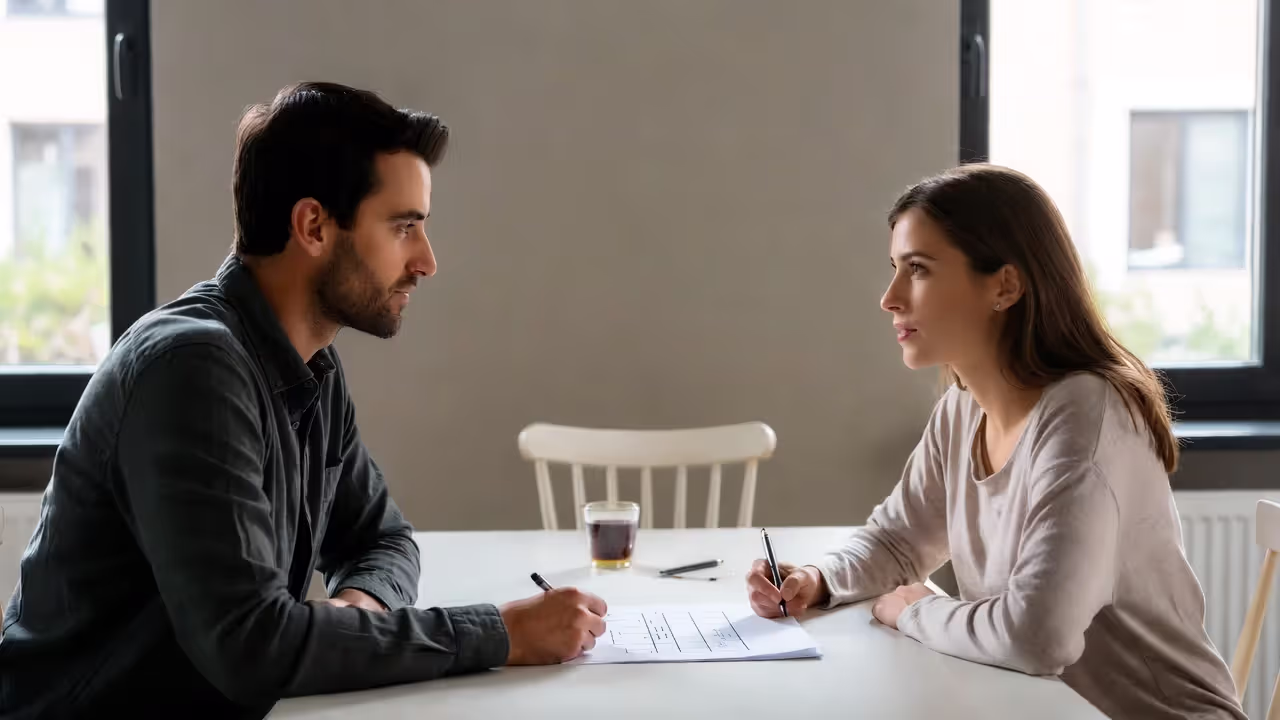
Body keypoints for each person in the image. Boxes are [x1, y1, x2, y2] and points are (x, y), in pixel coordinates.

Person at [0, 82, 607, 719]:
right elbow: (253, 647)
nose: (426, 261)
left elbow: (385, 541)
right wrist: (500, 633)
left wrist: (357, 615)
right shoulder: (192, 370)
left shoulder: (311, 366)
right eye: (404, 228)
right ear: (313, 225)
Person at [746, 164, 1245, 719]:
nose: (890, 298)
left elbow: (1036, 638)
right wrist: (817, 580)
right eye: (895, 269)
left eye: (919, 270)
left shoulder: (1087, 414)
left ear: (1005, 285)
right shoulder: (963, 410)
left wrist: (913, 611)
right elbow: (899, 542)